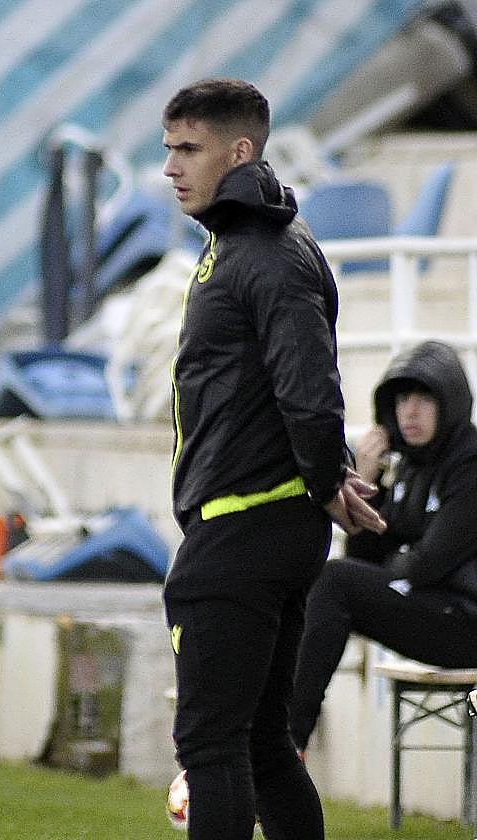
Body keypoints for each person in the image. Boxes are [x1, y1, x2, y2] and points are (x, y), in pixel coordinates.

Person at [159, 78, 386, 840]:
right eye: (168, 149)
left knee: (211, 745)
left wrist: (325, 479)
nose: (171, 167)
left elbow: (311, 393)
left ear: (239, 151)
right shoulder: (243, 243)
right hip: (261, 524)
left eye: (188, 149)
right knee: (261, 745)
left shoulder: (266, 253)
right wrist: (322, 480)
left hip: (244, 525)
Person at [290, 340, 477, 751]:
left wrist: (399, 561)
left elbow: (429, 563)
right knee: (320, 581)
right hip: (436, 608)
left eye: (424, 399)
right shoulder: (410, 465)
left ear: (450, 402)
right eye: (402, 399)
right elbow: (364, 559)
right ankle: (281, 733)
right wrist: (367, 482)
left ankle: (290, 740)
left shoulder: (469, 462)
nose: (410, 411)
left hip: (467, 623)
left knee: (335, 581)